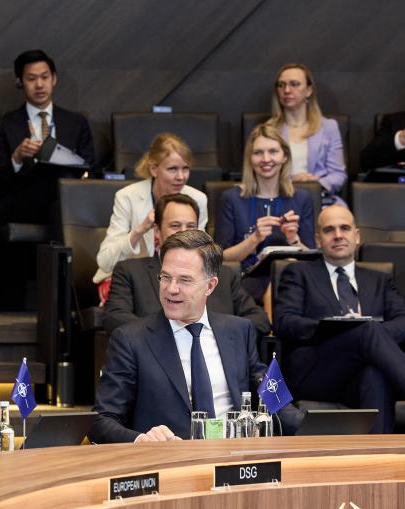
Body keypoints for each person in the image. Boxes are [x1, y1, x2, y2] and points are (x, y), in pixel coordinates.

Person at [91, 230, 264, 444]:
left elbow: (273, 398)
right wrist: (141, 439)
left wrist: (311, 427)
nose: (171, 289)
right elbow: (102, 420)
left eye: (184, 280)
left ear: (210, 286)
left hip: (232, 459)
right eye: (165, 277)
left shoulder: (239, 331)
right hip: (169, 465)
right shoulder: (130, 340)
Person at [273, 205, 405, 433]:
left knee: (375, 375)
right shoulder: (299, 274)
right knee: (367, 329)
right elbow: (285, 322)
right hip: (318, 372)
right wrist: (337, 327)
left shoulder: (380, 280)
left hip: (360, 377)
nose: (338, 235)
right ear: (317, 239)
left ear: (357, 236)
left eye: (344, 228)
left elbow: (402, 321)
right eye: (329, 230)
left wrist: (367, 335)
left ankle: (376, 461)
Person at [0, 50, 95, 309]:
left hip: (64, 201)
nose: (39, 84)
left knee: (60, 197)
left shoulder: (76, 123)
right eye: (32, 79)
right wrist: (17, 157)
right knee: (53, 189)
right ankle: (69, 300)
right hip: (21, 201)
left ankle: (67, 300)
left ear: (54, 79)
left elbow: (91, 166)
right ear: (20, 82)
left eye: (44, 77)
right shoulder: (5, 125)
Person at [104, 194, 269, 336]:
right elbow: (115, 317)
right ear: (157, 231)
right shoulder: (130, 271)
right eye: (175, 225)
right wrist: (169, 335)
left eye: (191, 226)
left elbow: (259, 320)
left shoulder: (222, 275)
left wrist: (209, 334)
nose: (184, 232)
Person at [92, 133, 208, 300]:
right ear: (154, 169)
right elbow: (105, 261)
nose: (181, 177)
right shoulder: (127, 197)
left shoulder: (198, 199)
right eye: (172, 169)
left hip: (178, 279)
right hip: (132, 278)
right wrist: (140, 230)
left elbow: (200, 253)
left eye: (185, 168)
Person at [215, 124, 315, 300]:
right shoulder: (231, 198)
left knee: (288, 274)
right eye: (258, 152)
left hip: (293, 278)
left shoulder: (302, 198)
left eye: (273, 151)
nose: (266, 158)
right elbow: (221, 258)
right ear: (250, 159)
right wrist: (255, 239)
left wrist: (294, 240)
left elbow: (312, 258)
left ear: (284, 156)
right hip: (246, 279)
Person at [266, 63, 346, 206]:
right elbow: (260, 175)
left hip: (321, 199)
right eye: (281, 85)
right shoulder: (268, 130)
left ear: (309, 90)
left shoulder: (329, 127)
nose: (287, 90)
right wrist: (293, 182)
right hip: (281, 198)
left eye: (294, 84)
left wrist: (314, 184)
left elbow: (338, 175)